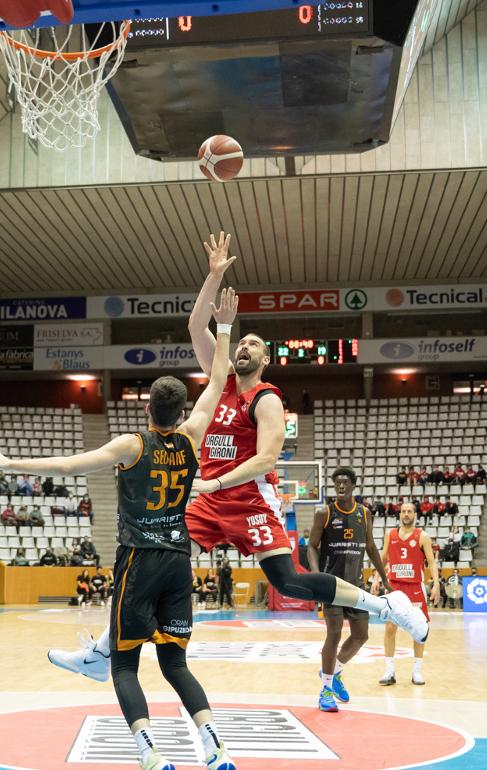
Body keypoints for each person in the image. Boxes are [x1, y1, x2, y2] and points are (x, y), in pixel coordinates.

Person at [43, 232, 427, 689]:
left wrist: (217, 484)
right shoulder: (219, 380)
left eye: (254, 345)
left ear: (267, 359)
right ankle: (102, 654)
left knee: (288, 581)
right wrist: (213, 276)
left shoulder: (267, 399)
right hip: (208, 498)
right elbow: (194, 326)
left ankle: (386, 608)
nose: (243, 347)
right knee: (149, 556)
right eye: (240, 341)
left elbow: (268, 456)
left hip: (248, 498)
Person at [0, 287, 242, 770]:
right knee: (176, 664)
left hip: (139, 560)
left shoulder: (131, 445)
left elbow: (70, 466)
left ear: (147, 410)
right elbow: (220, 376)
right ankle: (215, 746)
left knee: (123, 664)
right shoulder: (193, 436)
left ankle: (151, 755)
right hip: (181, 561)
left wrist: (10, 460)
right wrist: (222, 325)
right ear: (182, 412)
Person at [306, 467, 390, 712]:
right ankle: (326, 690)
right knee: (334, 634)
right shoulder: (324, 513)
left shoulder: (364, 514)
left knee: (361, 635)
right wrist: (315, 574)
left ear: (353, 485)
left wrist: (384, 578)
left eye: (345, 483)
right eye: (337, 484)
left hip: (356, 585)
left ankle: (335, 670)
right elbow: (311, 546)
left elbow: (372, 548)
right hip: (332, 585)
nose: (341, 487)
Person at [379, 502, 440, 687]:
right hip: (394, 586)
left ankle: (417, 671)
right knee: (390, 628)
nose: (406, 514)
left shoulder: (423, 536)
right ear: (400, 514)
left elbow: (431, 562)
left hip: (414, 587)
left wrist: (436, 583)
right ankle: (389, 671)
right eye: (403, 511)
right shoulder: (390, 534)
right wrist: (376, 578)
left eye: (409, 511)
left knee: (419, 629)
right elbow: (383, 558)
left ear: (415, 514)